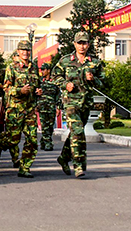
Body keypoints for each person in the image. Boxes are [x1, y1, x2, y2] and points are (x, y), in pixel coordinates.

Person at [52, 32, 104, 178]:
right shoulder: (65, 60)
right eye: (79, 43)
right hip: (70, 103)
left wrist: (92, 79)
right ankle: (79, 165)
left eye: (85, 43)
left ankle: (63, 158)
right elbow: (55, 76)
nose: (82, 46)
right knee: (79, 132)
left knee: (75, 133)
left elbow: (103, 82)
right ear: (74, 44)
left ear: (88, 44)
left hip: (86, 103)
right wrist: (65, 84)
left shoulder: (94, 62)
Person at [0, 41, 42, 178]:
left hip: (30, 109)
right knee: (13, 140)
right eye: (22, 50)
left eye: (27, 50)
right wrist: (20, 90)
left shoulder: (33, 68)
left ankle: (25, 167)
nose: (25, 52)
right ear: (18, 52)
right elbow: (6, 89)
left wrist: (38, 91)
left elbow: (37, 85)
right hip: (15, 109)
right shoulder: (12, 68)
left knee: (32, 140)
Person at [38, 62, 60, 151]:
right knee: (44, 126)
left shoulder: (54, 82)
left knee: (50, 126)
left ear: (48, 70)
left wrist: (58, 107)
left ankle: (44, 141)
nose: (42, 71)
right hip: (42, 106)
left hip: (51, 107)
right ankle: (48, 144)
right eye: (41, 70)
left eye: (43, 70)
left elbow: (58, 95)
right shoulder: (39, 81)